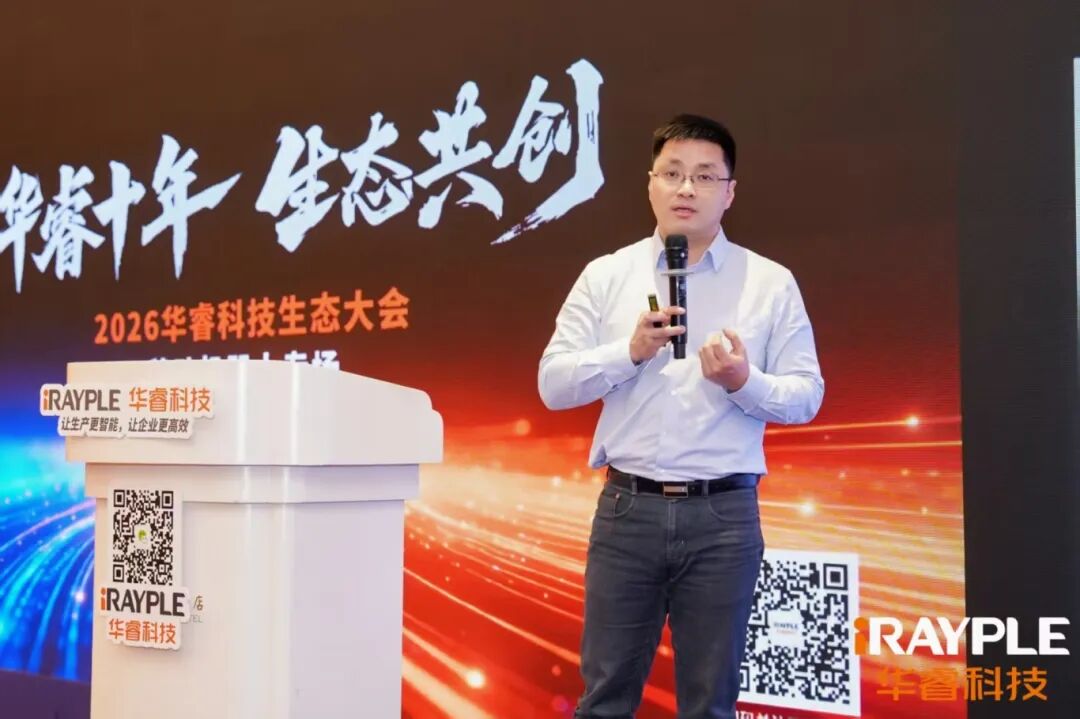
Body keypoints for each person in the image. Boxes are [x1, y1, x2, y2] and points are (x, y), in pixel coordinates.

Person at [538, 113, 825, 719]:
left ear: (730, 192)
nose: (686, 188)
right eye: (672, 173)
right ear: (650, 184)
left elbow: (806, 396)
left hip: (723, 517)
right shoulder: (606, 275)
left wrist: (744, 381)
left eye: (704, 175)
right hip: (627, 512)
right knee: (604, 698)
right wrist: (628, 352)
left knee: (710, 703)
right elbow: (553, 385)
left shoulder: (769, 282)